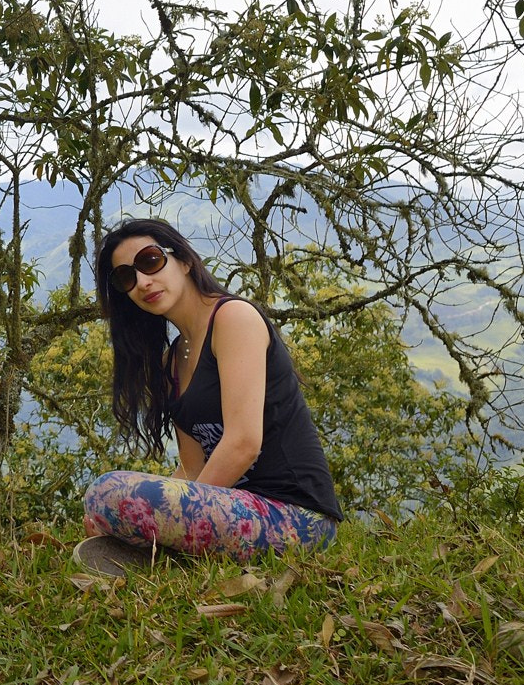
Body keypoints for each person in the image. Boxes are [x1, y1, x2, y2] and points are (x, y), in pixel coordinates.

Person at [79, 219, 342, 564]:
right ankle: (162, 558)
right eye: (127, 278)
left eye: (151, 261)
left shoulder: (234, 318)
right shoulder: (172, 361)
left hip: (298, 520)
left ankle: (159, 555)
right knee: (103, 503)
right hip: (234, 510)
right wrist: (162, 510)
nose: (143, 282)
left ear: (184, 261)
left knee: (109, 492)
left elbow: (243, 443)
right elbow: (191, 468)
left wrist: (171, 516)